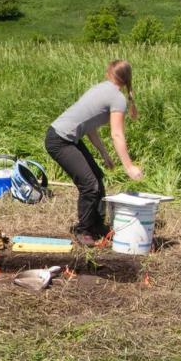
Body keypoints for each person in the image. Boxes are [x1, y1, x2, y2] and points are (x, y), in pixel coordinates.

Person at [44, 59, 144, 245]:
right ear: (127, 78)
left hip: (65, 137)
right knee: (90, 185)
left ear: (109, 73)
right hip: (60, 140)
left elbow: (90, 126)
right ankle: (83, 230)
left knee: (97, 177)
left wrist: (104, 154)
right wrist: (129, 166)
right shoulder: (117, 98)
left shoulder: (100, 88)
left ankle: (96, 225)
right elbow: (117, 134)